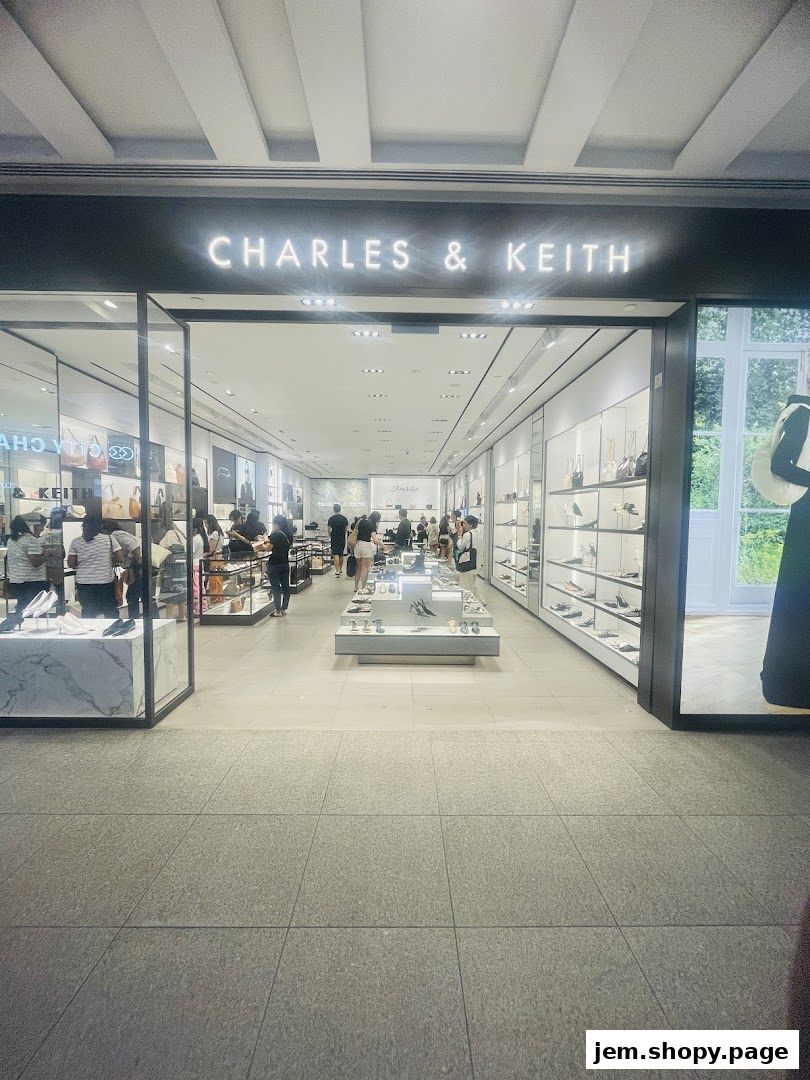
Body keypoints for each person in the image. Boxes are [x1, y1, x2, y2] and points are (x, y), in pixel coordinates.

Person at [761, 377, 810, 708]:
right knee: (800, 598)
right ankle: (791, 683)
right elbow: (780, 464)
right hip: (806, 522)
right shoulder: (803, 414)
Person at [68, 512, 121, 619]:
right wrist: (107, 561)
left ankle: (90, 634)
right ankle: (113, 632)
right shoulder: (109, 539)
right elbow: (120, 558)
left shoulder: (76, 542)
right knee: (110, 611)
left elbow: (71, 563)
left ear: (83, 525)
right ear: (100, 526)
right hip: (105, 582)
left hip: (84, 583)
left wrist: (85, 564)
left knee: (88, 612)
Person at [5, 514, 47, 611]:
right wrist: (47, 554)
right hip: (32, 582)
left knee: (22, 608)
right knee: (34, 610)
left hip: (16, 581)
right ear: (32, 525)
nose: (42, 529)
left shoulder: (11, 540)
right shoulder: (31, 540)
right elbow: (35, 562)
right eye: (41, 526)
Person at [104, 519, 141, 619]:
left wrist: (138, 561)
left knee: (132, 595)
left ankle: (135, 620)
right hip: (134, 565)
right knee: (137, 594)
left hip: (136, 566)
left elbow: (134, 545)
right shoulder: (117, 534)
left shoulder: (115, 535)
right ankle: (144, 619)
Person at [266, 514, 291, 617]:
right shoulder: (287, 534)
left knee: (276, 587)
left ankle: (278, 610)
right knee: (285, 586)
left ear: (276, 524)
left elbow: (268, 548)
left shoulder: (276, 535)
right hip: (285, 563)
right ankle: (284, 608)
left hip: (275, 564)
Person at [353, 514, 382, 591]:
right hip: (365, 546)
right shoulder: (371, 525)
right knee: (365, 568)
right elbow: (375, 540)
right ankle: (363, 588)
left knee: (359, 567)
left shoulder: (361, 521)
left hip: (357, 545)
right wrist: (384, 546)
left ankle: (356, 587)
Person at [456, 514, 479, 593]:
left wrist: (459, 538)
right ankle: (480, 601)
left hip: (467, 564)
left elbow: (461, 547)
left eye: (465, 523)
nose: (464, 525)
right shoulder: (478, 534)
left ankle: (470, 603)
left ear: (471, 524)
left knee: (466, 587)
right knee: (472, 584)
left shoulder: (467, 535)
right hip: (475, 563)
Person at [327, 502, 349, 577]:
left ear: (334, 509)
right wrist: (342, 534)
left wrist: (331, 535)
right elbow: (346, 530)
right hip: (342, 537)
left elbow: (329, 530)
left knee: (335, 554)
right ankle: (340, 568)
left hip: (334, 538)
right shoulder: (344, 519)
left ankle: (337, 570)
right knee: (341, 554)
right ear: (340, 509)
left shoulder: (331, 519)